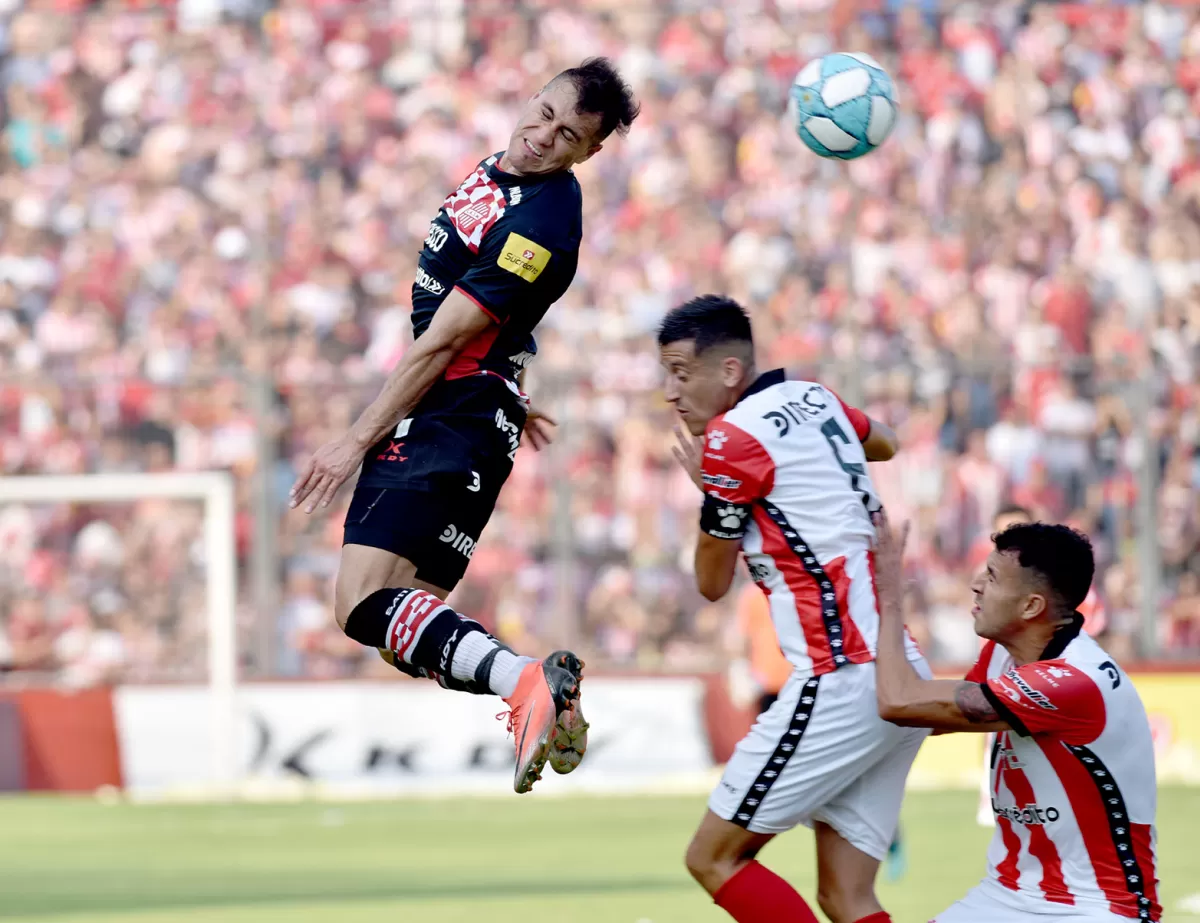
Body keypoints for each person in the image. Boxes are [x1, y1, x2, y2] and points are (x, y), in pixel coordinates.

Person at [288, 58, 640, 794]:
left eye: (568, 134)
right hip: (471, 406)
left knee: (358, 601)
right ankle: (547, 695)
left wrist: (355, 439)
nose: (543, 137)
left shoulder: (541, 222)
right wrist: (510, 378)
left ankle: (527, 681)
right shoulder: (507, 172)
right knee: (400, 631)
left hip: (447, 410)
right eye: (543, 113)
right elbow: (486, 326)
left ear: (589, 152)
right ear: (533, 95)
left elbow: (446, 340)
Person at [660, 294, 929, 923]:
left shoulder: (730, 439)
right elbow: (884, 441)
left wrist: (715, 492)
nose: (670, 392)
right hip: (898, 668)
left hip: (841, 677)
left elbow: (710, 582)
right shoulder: (813, 397)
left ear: (728, 372)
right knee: (846, 896)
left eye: (680, 372)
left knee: (713, 859)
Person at [872, 511, 1161, 923]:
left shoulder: (1073, 681)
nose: (975, 585)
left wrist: (887, 599)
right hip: (1005, 894)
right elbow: (921, 714)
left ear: (1031, 605)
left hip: (1098, 908)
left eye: (991, 577)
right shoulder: (1001, 654)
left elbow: (898, 702)